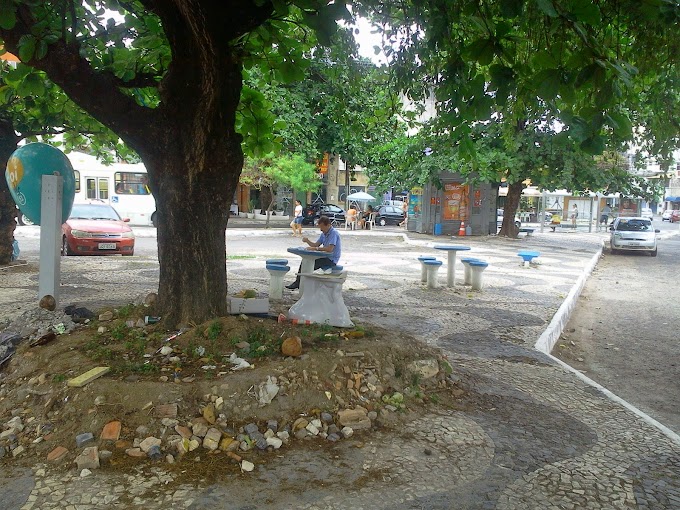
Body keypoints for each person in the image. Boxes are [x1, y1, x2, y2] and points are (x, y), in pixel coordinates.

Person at [286, 216, 341, 290]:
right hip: (325, 257)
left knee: (309, 264)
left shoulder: (333, 233)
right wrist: (307, 241)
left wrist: (316, 249)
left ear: (328, 225)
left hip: (331, 259)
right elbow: (316, 245)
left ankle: (302, 284)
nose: (321, 230)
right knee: (306, 261)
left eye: (322, 227)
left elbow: (330, 249)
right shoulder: (324, 233)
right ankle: (298, 282)